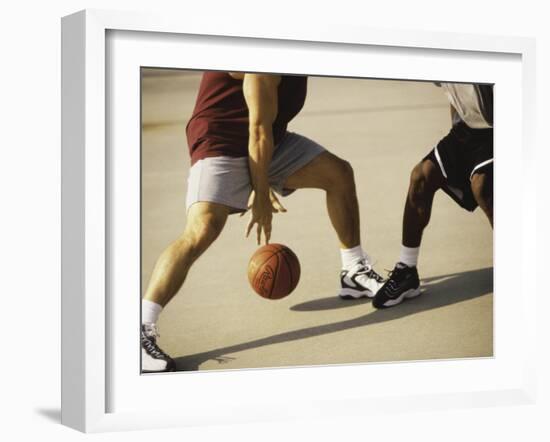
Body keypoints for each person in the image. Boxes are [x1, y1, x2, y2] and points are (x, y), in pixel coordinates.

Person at [141, 72, 384, 372]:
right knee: (201, 230)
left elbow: (265, 129)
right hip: (221, 140)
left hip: (270, 142)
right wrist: (259, 193)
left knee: (338, 174)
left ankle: (353, 272)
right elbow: (257, 131)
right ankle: (139, 327)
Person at [373, 82, 493, 309]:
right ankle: (406, 271)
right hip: (467, 131)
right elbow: (454, 95)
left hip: (503, 128)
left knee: (483, 188)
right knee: (421, 176)